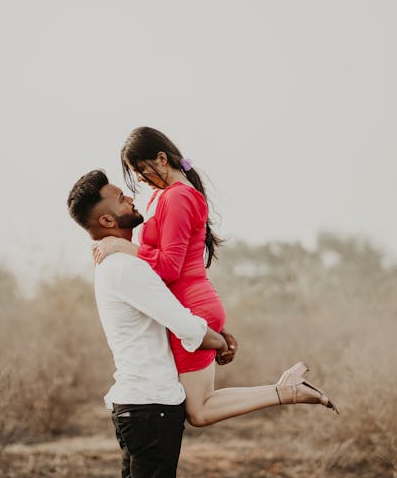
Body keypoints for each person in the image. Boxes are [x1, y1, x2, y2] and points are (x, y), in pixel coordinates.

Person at [67, 169, 235, 478]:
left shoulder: (113, 265)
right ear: (106, 218)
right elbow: (183, 322)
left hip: (134, 402)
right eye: (120, 196)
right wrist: (220, 341)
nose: (130, 197)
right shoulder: (127, 268)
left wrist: (210, 338)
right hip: (152, 406)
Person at [93, 126, 338, 424]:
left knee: (200, 409)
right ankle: (285, 390)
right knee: (200, 404)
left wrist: (122, 247)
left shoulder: (179, 197)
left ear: (160, 159)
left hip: (190, 307)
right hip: (186, 307)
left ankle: (287, 391)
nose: (140, 179)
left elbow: (169, 266)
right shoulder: (163, 196)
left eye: (140, 170)